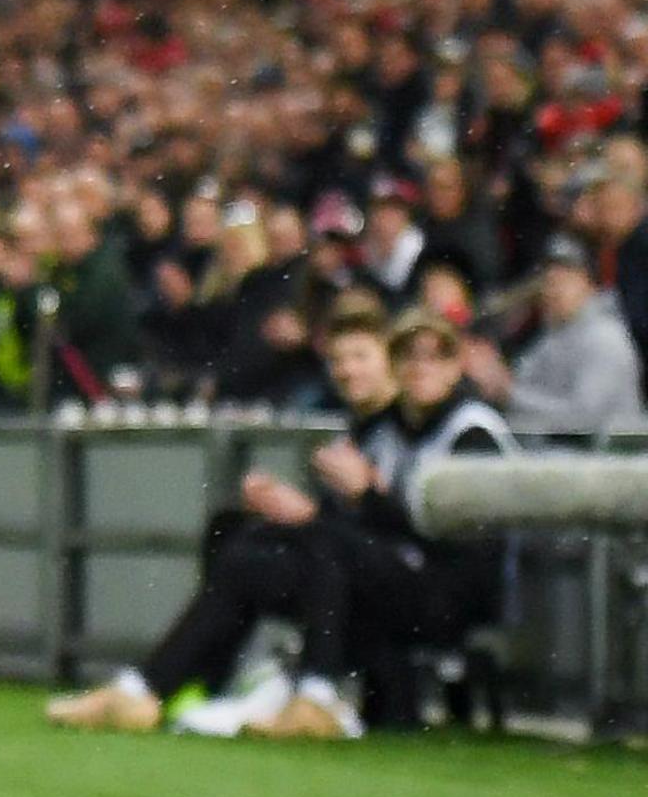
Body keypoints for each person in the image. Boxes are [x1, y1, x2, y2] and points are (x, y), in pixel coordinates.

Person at [48, 311, 514, 740]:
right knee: (244, 543)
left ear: (457, 366)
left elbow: (462, 545)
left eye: (436, 357)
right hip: (387, 576)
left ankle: (316, 696)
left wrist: (357, 502)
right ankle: (149, 688)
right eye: (408, 356)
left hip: (448, 594)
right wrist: (291, 514)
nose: (420, 367)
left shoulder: (471, 432)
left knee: (321, 538)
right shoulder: (383, 429)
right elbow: (366, 526)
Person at [471, 237, 641, 433]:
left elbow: (585, 420)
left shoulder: (605, 338)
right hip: (561, 456)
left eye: (565, 279)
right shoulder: (553, 333)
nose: (553, 290)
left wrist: (507, 393)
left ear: (591, 285)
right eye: (549, 280)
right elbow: (524, 386)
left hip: (613, 459)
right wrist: (494, 374)